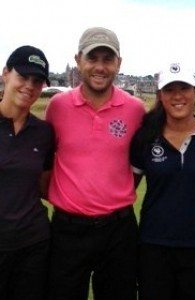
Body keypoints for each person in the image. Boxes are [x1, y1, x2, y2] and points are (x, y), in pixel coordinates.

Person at [45, 27, 145, 300]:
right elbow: (44, 162)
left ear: (119, 64)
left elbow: (140, 163)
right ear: (78, 60)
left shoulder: (135, 109)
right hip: (68, 230)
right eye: (92, 58)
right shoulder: (57, 106)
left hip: (118, 230)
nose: (100, 67)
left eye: (107, 59)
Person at [130, 62, 195, 300]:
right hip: (153, 245)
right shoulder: (145, 138)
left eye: (184, 88)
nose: (178, 96)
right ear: (160, 95)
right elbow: (126, 191)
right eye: (169, 90)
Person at [0, 45, 54, 299]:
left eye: (37, 81)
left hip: (33, 245)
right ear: (5, 74)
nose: (29, 86)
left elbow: (44, 185)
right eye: (23, 76)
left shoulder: (44, 132)